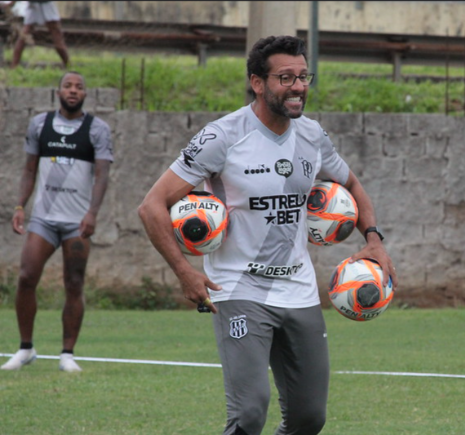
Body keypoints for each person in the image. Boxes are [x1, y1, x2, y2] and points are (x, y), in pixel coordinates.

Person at [138, 35, 398, 434]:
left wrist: (374, 240)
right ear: (257, 83)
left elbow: (354, 188)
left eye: (303, 77)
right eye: (285, 78)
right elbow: (152, 205)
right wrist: (184, 271)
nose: (298, 87)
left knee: (309, 418)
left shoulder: (312, 136)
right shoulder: (222, 136)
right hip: (238, 288)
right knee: (248, 414)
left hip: (299, 289)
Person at [1, 71, 113, 372]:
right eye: (68, 85)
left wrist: (92, 213)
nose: (73, 90)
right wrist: (19, 206)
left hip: (77, 222)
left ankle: (67, 354)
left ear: (85, 94)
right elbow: (28, 171)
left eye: (79, 86)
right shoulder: (40, 124)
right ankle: (26, 349)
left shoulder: (97, 130)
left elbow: (102, 176)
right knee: (26, 277)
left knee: (74, 282)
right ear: (58, 91)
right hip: (44, 220)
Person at [1, 1, 69, 69]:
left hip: (44, 4)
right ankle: (14, 66)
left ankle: (67, 64)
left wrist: (11, 4)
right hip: (35, 5)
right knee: (25, 34)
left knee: (56, 34)